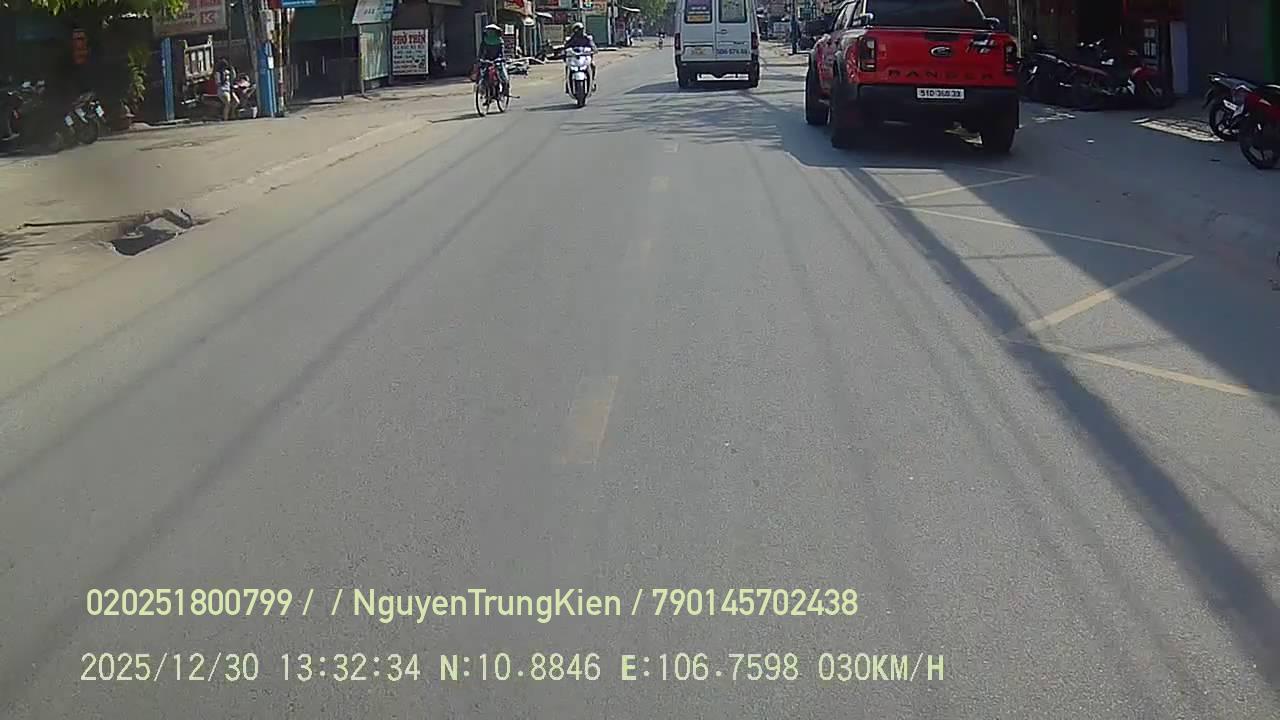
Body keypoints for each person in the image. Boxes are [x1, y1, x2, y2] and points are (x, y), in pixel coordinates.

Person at [476, 24, 509, 98]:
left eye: (491, 31)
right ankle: (485, 92)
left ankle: (504, 89)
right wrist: (480, 58)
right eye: (488, 31)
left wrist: (501, 58)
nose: (489, 32)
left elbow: (501, 52)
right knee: (483, 73)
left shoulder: (500, 41)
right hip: (487, 60)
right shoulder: (485, 40)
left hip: (497, 59)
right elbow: (481, 51)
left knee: (501, 74)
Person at [564, 22, 597, 90]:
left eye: (580, 30)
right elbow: (566, 47)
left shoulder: (587, 38)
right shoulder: (571, 39)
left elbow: (593, 46)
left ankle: (593, 81)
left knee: (593, 65)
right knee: (567, 66)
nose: (579, 32)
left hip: (585, 58)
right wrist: (564, 52)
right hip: (575, 58)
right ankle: (567, 82)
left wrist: (593, 50)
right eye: (577, 30)